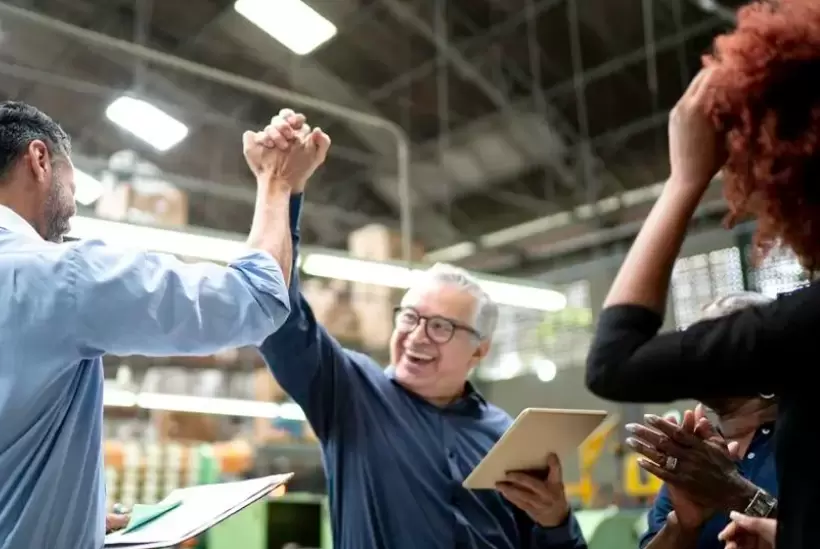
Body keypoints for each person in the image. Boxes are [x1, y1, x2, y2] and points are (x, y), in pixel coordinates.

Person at [0, 101, 326, 548]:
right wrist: (276, 182)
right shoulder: (62, 276)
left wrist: (66, 517)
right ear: (39, 159)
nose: (73, 205)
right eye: (73, 182)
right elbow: (256, 299)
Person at [252, 109, 586, 549]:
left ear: (479, 351)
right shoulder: (351, 395)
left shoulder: (507, 437)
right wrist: (280, 189)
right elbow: (277, 316)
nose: (416, 334)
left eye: (441, 326)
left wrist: (556, 521)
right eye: (409, 317)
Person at [584, 2, 820, 548]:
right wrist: (691, 520)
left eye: (721, 334)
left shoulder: (804, 331)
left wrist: (685, 180)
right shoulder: (699, 450)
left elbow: (614, 361)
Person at [628, 294, 779, 549]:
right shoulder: (696, 457)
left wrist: (738, 494)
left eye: (713, 337)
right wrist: (682, 525)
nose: (695, 350)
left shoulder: (806, 438)